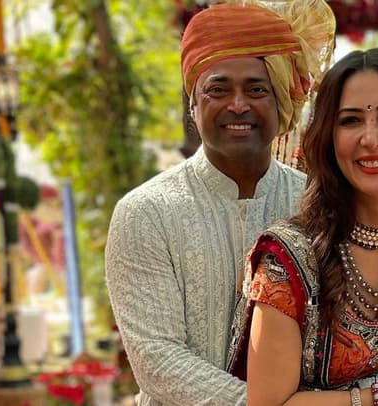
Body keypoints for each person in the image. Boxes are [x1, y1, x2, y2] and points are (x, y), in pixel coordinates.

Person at [105, 1, 339, 404]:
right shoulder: (145, 213)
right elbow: (158, 360)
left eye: (257, 89)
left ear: (281, 101)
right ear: (193, 105)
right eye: (218, 89)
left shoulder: (317, 205)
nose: (238, 104)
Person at [227, 48, 378, 405]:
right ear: (328, 138)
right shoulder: (288, 260)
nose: (370, 138)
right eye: (351, 121)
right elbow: (269, 404)